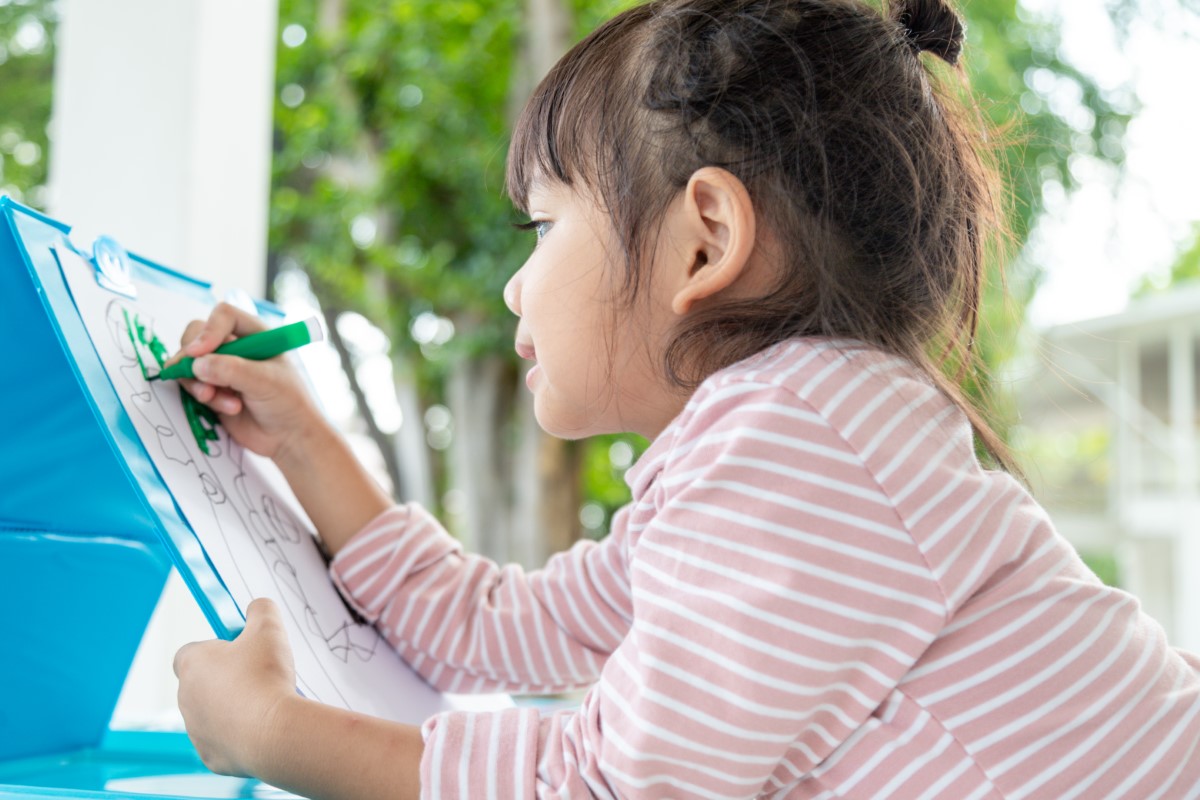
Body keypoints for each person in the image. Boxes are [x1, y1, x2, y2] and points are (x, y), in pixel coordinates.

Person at [170, 0, 1200, 797]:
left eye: (543, 226)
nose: (516, 285)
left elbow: (604, 785)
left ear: (706, 237)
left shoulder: (795, 450)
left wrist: (273, 732)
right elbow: (485, 626)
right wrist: (301, 436)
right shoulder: (781, 454)